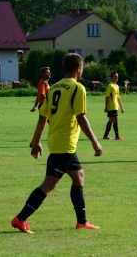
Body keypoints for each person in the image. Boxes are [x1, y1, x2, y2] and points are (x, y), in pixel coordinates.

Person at [11, 53, 103, 233]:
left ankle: (82, 222)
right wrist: (95, 141)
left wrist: (36, 141)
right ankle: (20, 218)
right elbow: (81, 117)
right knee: (50, 183)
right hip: (65, 143)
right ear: (79, 68)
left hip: (58, 141)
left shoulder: (53, 88)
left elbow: (42, 116)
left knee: (79, 177)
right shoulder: (78, 88)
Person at [29, 67, 51, 147]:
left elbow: (38, 95)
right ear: (43, 74)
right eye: (48, 72)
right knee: (44, 124)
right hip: (44, 106)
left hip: (45, 105)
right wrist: (50, 101)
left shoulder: (46, 83)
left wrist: (35, 106)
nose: (50, 73)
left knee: (45, 124)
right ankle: (34, 142)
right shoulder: (42, 83)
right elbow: (42, 96)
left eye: (49, 72)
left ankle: (33, 142)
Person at [103, 72, 124, 140]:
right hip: (111, 106)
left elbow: (118, 97)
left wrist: (121, 107)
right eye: (115, 76)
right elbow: (107, 96)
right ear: (111, 77)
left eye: (117, 76)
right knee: (115, 119)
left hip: (116, 106)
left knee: (111, 120)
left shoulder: (117, 86)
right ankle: (117, 136)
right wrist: (106, 106)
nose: (116, 77)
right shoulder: (110, 86)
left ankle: (105, 136)